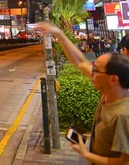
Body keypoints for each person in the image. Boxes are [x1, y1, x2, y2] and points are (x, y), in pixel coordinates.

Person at [38, 22, 129, 164]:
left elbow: (124, 162)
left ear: (113, 79)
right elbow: (80, 62)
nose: (91, 72)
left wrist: (87, 154)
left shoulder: (123, 115)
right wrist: (58, 33)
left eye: (96, 70)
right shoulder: (109, 93)